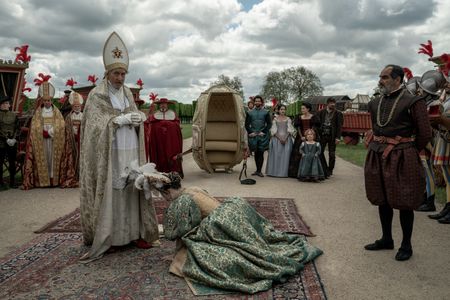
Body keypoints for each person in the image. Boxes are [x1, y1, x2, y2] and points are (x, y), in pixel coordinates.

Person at [144, 171, 322, 295]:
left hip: (223, 222)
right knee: (255, 242)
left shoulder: (182, 201)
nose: (165, 200)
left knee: (198, 250)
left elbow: (182, 232)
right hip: (233, 209)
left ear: (167, 191)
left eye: (163, 195)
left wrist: (172, 237)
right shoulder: (193, 188)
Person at [79, 32, 159, 262]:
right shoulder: (97, 95)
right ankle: (110, 237)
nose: (121, 77)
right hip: (110, 152)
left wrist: (137, 119)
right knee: (114, 191)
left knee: (133, 186)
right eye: (116, 73)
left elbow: (134, 113)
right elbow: (93, 126)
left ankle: (135, 233)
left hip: (130, 149)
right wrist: (116, 120)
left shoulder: (127, 94)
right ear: (108, 73)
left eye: (123, 73)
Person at [364, 64, 432, 261]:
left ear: (398, 78)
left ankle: (406, 244)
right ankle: (386, 239)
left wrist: (408, 150)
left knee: (404, 200)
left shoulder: (413, 101)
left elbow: (425, 133)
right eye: (380, 77)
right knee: (381, 197)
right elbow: (376, 128)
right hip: (377, 154)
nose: (381, 80)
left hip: (403, 156)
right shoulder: (375, 103)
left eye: (385, 77)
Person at [22, 81, 65, 189]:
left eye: (49, 100)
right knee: (44, 157)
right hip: (41, 139)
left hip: (53, 139)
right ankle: (43, 181)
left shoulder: (56, 112)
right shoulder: (38, 112)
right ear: (42, 100)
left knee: (52, 158)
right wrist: (42, 132)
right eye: (45, 100)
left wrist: (50, 132)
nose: (47, 102)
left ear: (51, 100)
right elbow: (35, 125)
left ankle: (53, 180)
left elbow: (60, 124)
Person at [144, 97, 184, 177]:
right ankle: (159, 171)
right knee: (160, 154)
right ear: (159, 105)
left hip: (170, 139)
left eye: (164, 104)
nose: (163, 105)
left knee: (171, 153)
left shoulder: (173, 114)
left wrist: (168, 125)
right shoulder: (154, 115)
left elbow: (177, 125)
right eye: (161, 104)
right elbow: (149, 124)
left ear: (167, 105)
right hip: (158, 140)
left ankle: (173, 172)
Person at [429, 81, 450, 223]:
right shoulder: (446, 99)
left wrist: (441, 119)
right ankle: (448, 207)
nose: (446, 84)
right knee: (448, 178)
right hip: (444, 138)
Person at [288, 102, 319, 178]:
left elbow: (314, 127)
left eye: (303, 108)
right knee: (299, 153)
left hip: (311, 136)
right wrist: (302, 136)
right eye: (301, 108)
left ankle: (313, 173)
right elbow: (298, 128)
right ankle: (298, 173)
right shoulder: (299, 117)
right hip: (300, 137)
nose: (302, 110)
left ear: (308, 109)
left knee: (312, 153)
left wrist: (309, 136)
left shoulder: (313, 117)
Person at [59, 91, 84, 188]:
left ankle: (80, 177)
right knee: (72, 159)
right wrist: (72, 135)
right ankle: (72, 176)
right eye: (75, 106)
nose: (77, 108)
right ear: (72, 107)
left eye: (79, 106)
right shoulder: (68, 117)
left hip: (81, 142)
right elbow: (66, 129)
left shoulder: (84, 116)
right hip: (71, 142)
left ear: (81, 107)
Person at [265, 104, 295, 177]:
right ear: (278, 110)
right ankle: (274, 172)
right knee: (276, 155)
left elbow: (290, 130)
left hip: (287, 139)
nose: (283, 111)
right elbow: (273, 131)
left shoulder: (288, 119)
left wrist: (285, 138)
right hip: (276, 139)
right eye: (281, 109)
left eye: (284, 109)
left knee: (286, 156)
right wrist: (279, 138)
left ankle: (284, 173)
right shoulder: (275, 119)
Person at [316, 97, 343, 176]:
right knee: (320, 152)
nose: (333, 104)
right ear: (327, 103)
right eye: (331, 103)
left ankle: (330, 169)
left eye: (334, 103)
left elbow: (339, 127)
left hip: (332, 136)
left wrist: (338, 137)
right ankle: (323, 168)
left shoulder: (338, 113)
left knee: (332, 154)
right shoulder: (321, 112)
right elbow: (317, 124)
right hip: (322, 135)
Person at [245, 95, 272, 177]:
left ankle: (259, 171)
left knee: (261, 152)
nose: (257, 102)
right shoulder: (249, 113)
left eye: (259, 101)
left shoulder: (266, 112)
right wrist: (250, 132)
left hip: (262, 135)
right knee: (256, 153)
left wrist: (263, 132)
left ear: (261, 102)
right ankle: (257, 170)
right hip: (253, 136)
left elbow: (269, 124)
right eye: (256, 101)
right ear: (254, 102)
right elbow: (246, 125)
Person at [0, 96, 19, 189]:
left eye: (7, 103)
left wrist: (14, 139)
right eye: (4, 104)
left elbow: (17, 127)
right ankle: (1, 183)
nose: (6, 105)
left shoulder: (14, 115)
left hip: (12, 142)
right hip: (1, 142)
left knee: (12, 162)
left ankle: (12, 182)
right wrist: (6, 139)